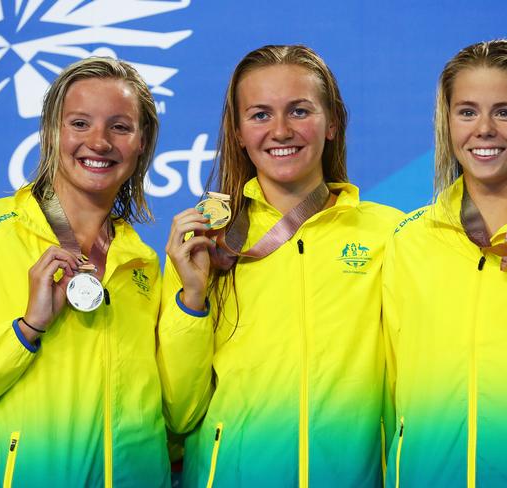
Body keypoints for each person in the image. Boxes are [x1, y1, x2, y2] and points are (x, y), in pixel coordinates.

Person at [0, 57, 170, 487]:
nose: (100, 141)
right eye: (80, 123)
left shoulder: (141, 261)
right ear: (52, 132)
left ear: (142, 142)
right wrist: (25, 330)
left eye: (120, 127)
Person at [157, 45, 402, 488]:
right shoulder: (202, 244)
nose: (281, 131)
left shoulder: (392, 235)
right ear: (237, 132)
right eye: (260, 115)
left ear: (333, 123)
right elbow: (180, 411)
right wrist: (192, 299)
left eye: (300, 111)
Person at [383, 39, 507, 487]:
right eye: (466, 111)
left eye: (504, 111)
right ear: (446, 123)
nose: (483, 129)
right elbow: (390, 389)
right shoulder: (408, 241)